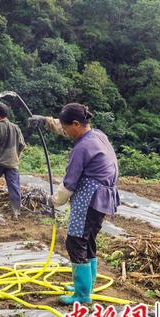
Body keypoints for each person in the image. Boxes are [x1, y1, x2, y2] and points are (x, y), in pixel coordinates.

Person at [29, 103, 120, 305]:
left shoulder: (81, 148)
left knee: (76, 241)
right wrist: (45, 121)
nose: (65, 131)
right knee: (88, 240)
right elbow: (64, 128)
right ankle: (86, 285)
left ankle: (81, 294)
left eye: (67, 127)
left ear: (77, 124)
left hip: (91, 198)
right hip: (104, 199)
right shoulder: (97, 135)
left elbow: (69, 183)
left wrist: (53, 201)